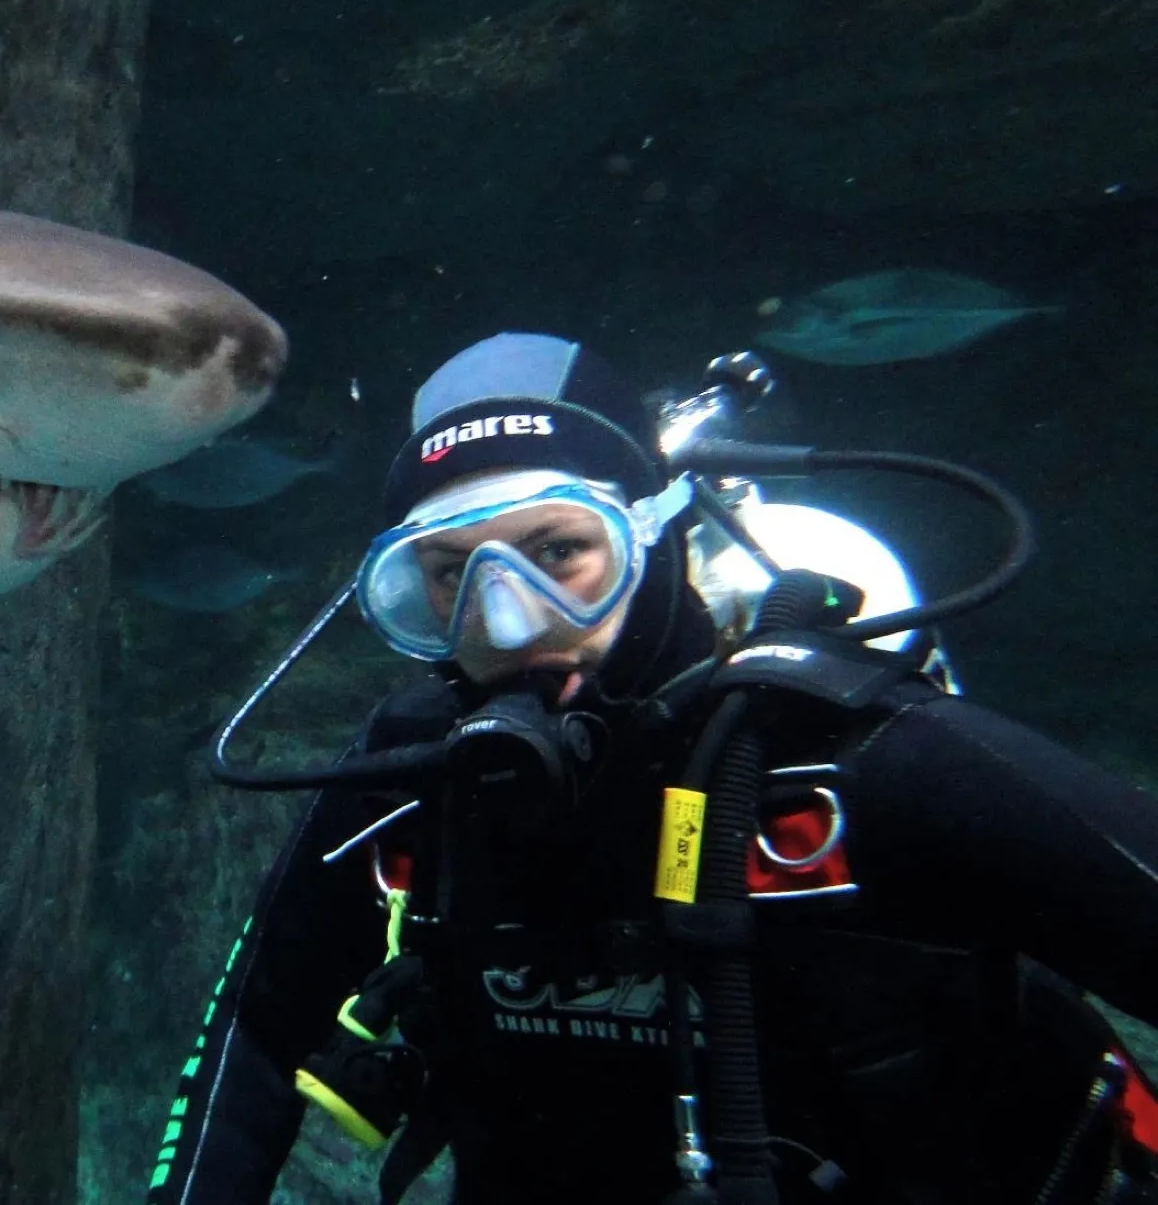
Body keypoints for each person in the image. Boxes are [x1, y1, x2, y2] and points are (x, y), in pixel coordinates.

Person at [146, 333, 1158, 1205]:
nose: (511, 624)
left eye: (560, 552)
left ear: (653, 538)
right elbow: (258, 1029)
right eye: (452, 573)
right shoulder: (408, 785)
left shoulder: (854, 759)